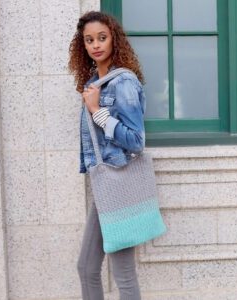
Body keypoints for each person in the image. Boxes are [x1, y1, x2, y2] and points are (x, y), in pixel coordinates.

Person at [68, 10, 146, 300]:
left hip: (119, 184)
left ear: (114, 39)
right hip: (105, 185)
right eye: (89, 40)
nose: (96, 45)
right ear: (83, 46)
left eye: (102, 37)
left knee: (123, 274)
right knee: (87, 267)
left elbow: (137, 140)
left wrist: (98, 112)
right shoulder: (94, 83)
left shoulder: (123, 82)